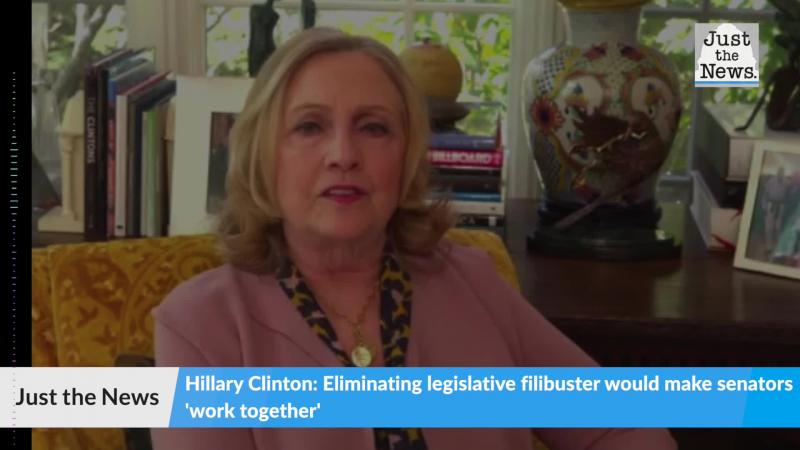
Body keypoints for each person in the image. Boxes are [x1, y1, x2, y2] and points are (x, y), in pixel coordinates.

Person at [151, 27, 677, 450]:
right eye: (309, 127)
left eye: (374, 128)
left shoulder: (471, 282)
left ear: (406, 155)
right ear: (264, 154)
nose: (344, 155)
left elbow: (623, 428)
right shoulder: (200, 327)